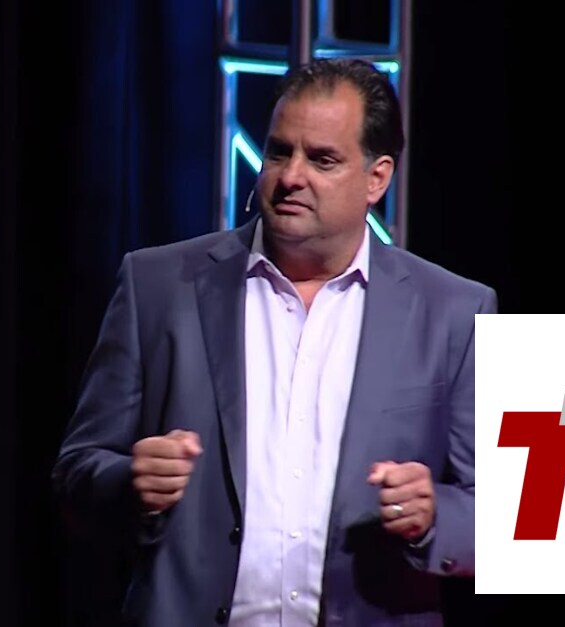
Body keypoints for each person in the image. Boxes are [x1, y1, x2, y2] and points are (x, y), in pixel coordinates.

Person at [52, 57, 497, 627]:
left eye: (323, 159)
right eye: (280, 152)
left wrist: (434, 516)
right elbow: (76, 474)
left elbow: (503, 512)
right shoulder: (157, 285)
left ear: (377, 178)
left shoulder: (455, 311)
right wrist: (126, 483)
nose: (290, 177)